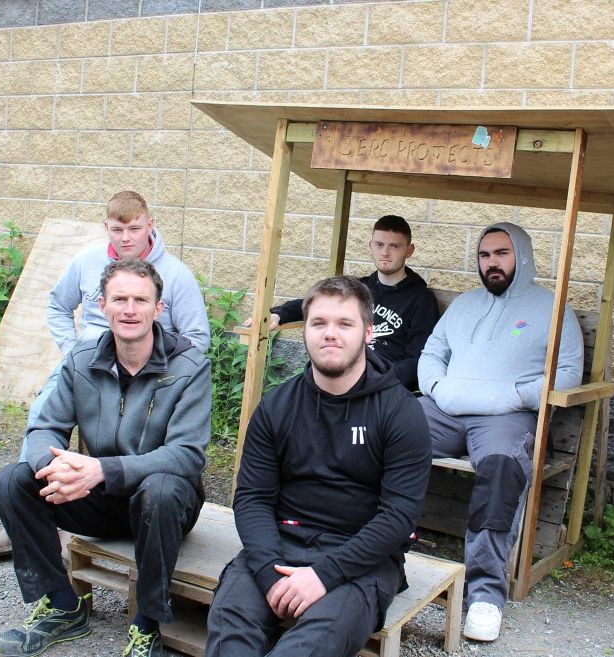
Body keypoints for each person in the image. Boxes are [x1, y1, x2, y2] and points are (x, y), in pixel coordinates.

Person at [0, 258, 212, 657]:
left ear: (158, 309)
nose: (130, 309)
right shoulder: (81, 359)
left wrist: (100, 469)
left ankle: (147, 624)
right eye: (120, 299)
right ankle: (62, 606)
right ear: (101, 307)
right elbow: (44, 428)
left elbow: (187, 455)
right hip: (101, 501)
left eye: (140, 300)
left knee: (160, 488)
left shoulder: (189, 366)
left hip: (165, 505)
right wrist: (53, 467)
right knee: (13, 481)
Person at [0, 190, 209, 558]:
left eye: (134, 228)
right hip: (90, 364)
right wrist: (75, 353)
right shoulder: (86, 261)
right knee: (40, 416)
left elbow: (197, 338)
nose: (127, 237)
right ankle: (37, 513)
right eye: (118, 229)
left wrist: (158, 358)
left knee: (153, 467)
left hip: (153, 371)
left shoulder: (177, 275)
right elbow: (58, 303)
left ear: (150, 225)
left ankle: (122, 498)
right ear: (107, 228)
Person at [206, 276, 432, 657]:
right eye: (319, 323)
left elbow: (398, 517)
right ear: (305, 329)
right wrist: (268, 572)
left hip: (362, 559)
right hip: (280, 545)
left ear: (367, 333)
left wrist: (324, 575)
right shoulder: (277, 407)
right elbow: (253, 498)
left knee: (308, 648)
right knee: (231, 630)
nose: (331, 334)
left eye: (345, 324)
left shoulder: (400, 412)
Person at [417, 222, 583, 642]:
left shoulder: (552, 306)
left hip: (504, 417)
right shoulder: (465, 304)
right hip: (444, 408)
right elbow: (433, 352)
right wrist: (436, 387)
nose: (491, 263)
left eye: (501, 254)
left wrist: (514, 394)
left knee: (503, 467)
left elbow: (567, 373)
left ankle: (485, 593)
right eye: (484, 255)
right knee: (387, 435)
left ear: (522, 256)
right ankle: (362, 545)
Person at [251, 214, 438, 390]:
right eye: (379, 245)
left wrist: (378, 378)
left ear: (409, 250)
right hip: (338, 372)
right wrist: (278, 313)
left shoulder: (421, 299)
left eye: (394, 246)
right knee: (286, 400)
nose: (385, 253)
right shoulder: (358, 288)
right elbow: (316, 303)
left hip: (381, 384)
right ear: (370, 246)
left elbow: (417, 360)